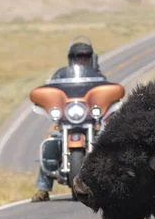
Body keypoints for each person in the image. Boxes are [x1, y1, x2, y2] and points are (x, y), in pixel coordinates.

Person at [31, 37, 103, 202]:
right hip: (68, 121)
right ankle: (43, 189)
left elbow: (105, 95)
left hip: (92, 122)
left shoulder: (98, 78)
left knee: (110, 140)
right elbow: (52, 91)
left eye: (85, 57)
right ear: (72, 58)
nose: (82, 60)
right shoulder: (60, 76)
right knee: (51, 144)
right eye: (79, 57)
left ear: (90, 58)